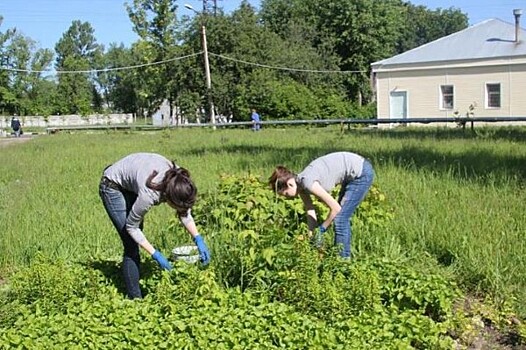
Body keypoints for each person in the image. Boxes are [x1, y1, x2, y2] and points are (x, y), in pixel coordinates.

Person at [99, 152, 211, 299]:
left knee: (136, 239)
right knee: (131, 243)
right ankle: (135, 300)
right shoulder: (149, 195)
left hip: (133, 182)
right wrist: (156, 255)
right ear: (168, 198)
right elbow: (132, 227)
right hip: (112, 185)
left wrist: (198, 239)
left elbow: (184, 212)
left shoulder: (178, 179)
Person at [268, 152, 374, 258]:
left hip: (361, 173)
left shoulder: (308, 183)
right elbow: (310, 209)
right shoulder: (301, 185)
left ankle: (343, 263)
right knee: (340, 218)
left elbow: (336, 208)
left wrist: (322, 229)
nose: (287, 197)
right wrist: (311, 234)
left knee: (340, 219)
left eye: (286, 193)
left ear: (290, 183)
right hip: (351, 174)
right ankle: (339, 258)